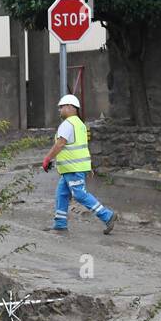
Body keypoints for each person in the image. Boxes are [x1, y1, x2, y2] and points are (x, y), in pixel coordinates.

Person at [41, 94, 116, 235]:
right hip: (72, 168)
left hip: (72, 168)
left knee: (80, 194)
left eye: (61, 107)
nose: (59, 110)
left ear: (70, 107)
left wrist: (47, 158)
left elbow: (60, 144)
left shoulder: (67, 124)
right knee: (61, 194)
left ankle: (107, 215)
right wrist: (88, 166)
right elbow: (82, 147)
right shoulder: (80, 125)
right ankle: (60, 225)